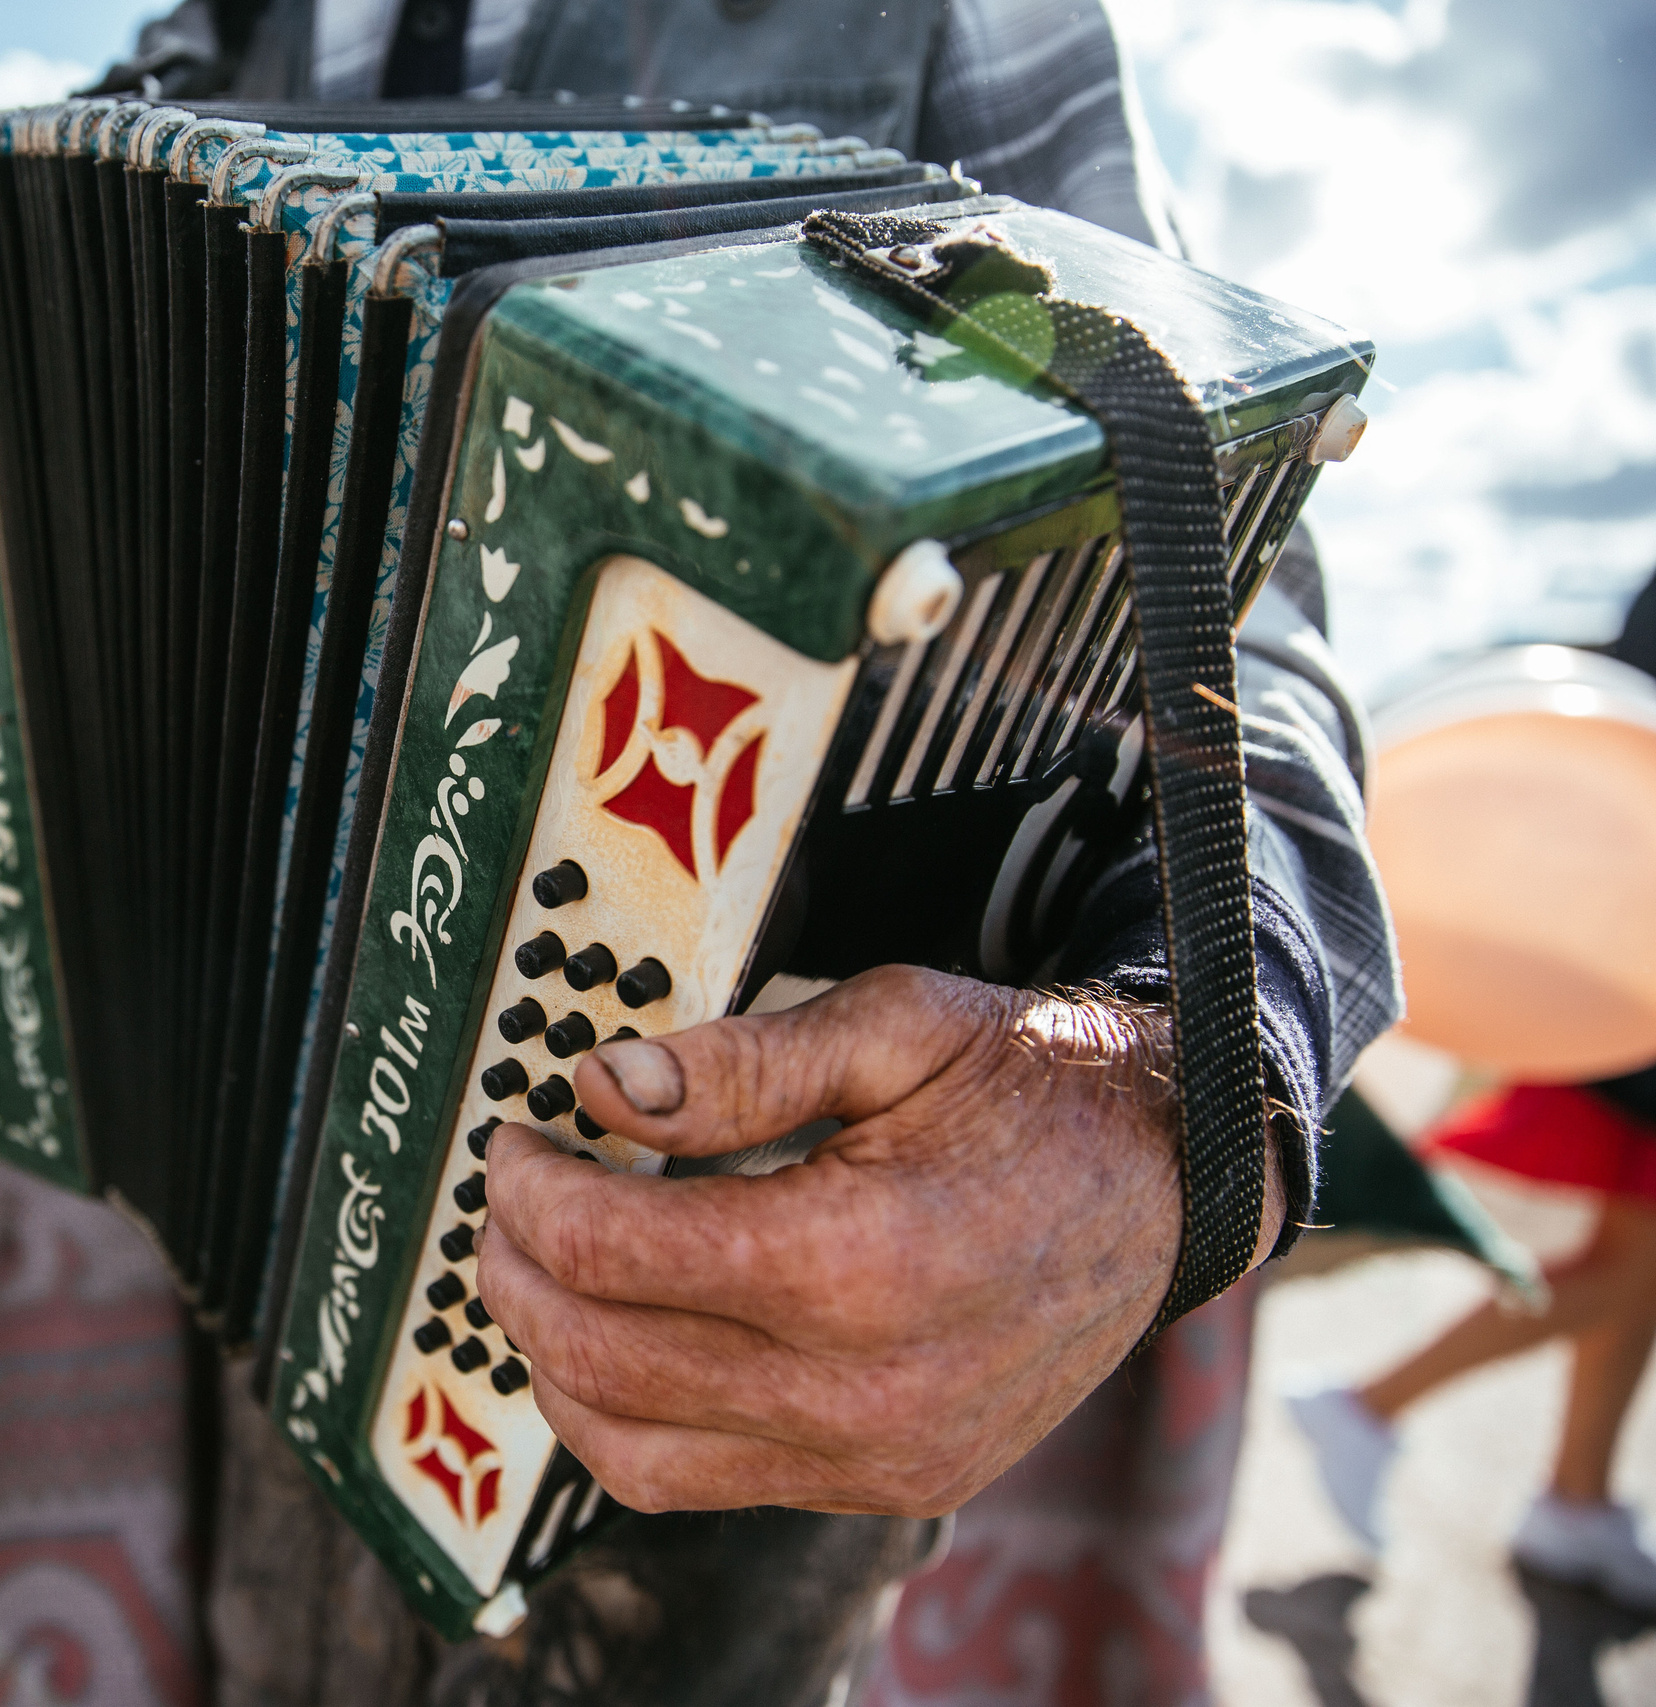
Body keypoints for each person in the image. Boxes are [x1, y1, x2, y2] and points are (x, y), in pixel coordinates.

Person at [86, 4, 1405, 1703]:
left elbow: (1235, 602)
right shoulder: (212, 45)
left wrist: (1181, 1080)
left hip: (721, 1367)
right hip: (249, 1242)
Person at [1291, 575, 1656, 1609]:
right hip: (1621, 957)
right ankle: (1366, 1404)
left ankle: (1574, 1501)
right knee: (1634, 1268)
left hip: (1619, 955)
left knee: (1634, 1264)